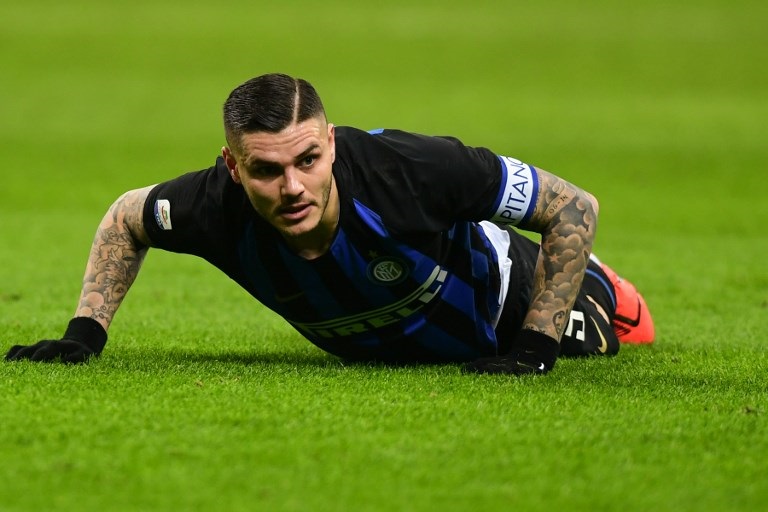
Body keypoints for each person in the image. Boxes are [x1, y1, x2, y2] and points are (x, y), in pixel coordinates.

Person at [4, 73, 655, 375]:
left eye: (308, 160)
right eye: (266, 170)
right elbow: (126, 217)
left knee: (629, 332)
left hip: (511, 302)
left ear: (332, 144)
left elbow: (574, 206)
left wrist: (535, 347)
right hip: (396, 344)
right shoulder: (213, 205)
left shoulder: (412, 170)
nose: (292, 187)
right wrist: (84, 335)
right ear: (233, 167)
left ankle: (610, 287)